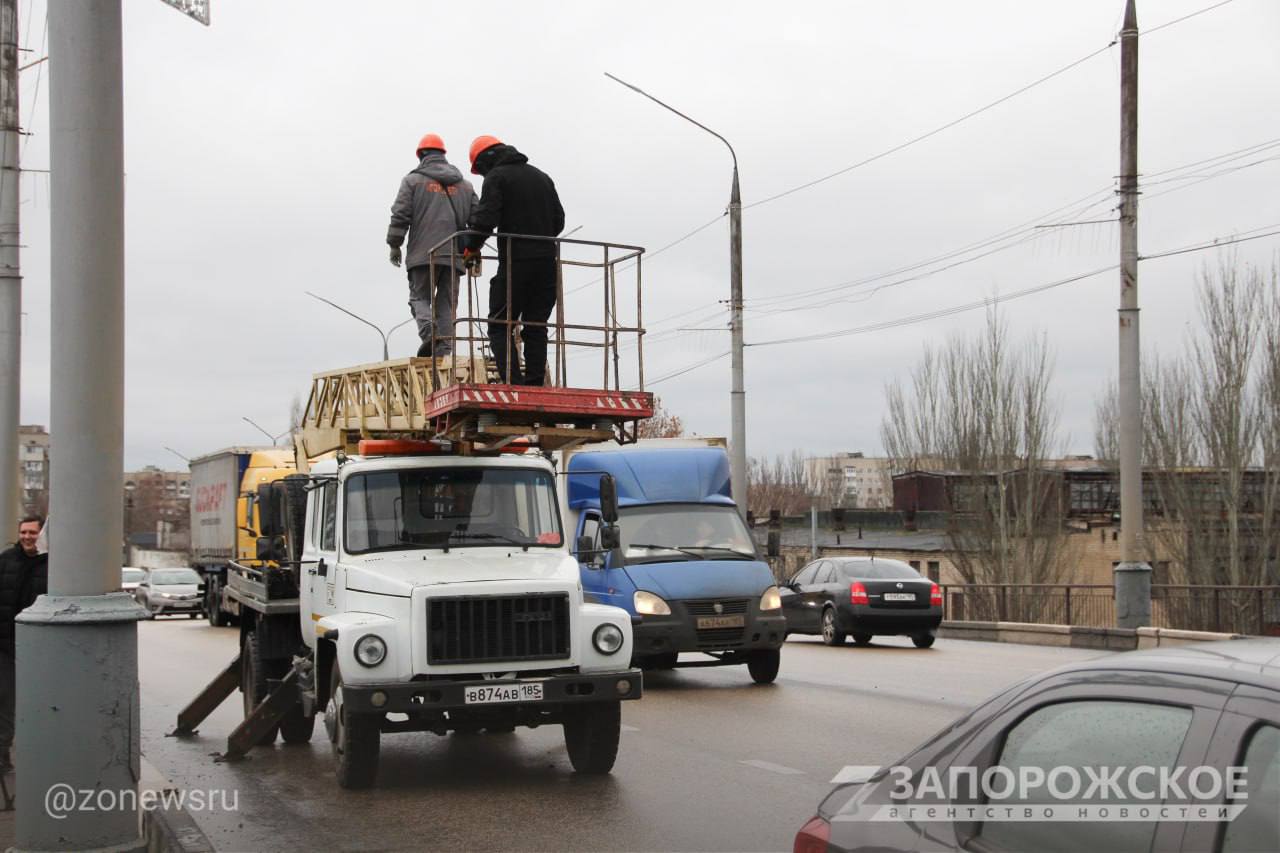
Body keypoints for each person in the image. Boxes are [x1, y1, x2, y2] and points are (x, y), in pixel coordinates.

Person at [461, 135, 565, 386]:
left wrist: (471, 247)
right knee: (536, 324)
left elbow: (486, 219)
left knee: (499, 324)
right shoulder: (542, 177)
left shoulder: (498, 177)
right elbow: (559, 220)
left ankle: (514, 385)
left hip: (516, 262)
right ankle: (534, 384)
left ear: (487, 161)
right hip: (547, 263)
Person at [387, 133, 479, 358]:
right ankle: (444, 351)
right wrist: (473, 251)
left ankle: (430, 334)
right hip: (454, 257)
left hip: (423, 255)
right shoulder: (465, 186)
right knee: (447, 305)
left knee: (419, 298)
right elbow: (478, 221)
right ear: (443, 155)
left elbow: (401, 215)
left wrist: (394, 244)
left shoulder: (413, 181)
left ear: (421, 156)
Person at [0, 516, 48, 769]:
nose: (27, 537)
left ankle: (38, 751)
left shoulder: (52, 564)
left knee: (38, 701)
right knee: (5, 701)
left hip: (39, 648)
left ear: (42, 534)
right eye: (23, 532)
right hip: (6, 644)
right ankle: (3, 755)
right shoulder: (6, 560)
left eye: (33, 532)